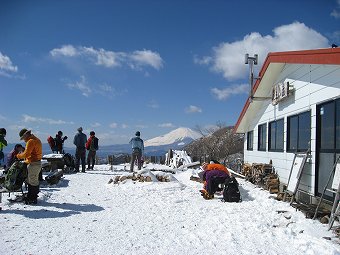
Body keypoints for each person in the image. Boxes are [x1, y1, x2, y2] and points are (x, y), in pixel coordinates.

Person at [16, 129, 42, 205]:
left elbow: (26, 154)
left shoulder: (30, 141)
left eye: (23, 137)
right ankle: (32, 196)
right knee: (33, 180)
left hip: (33, 163)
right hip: (37, 162)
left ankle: (32, 198)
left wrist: (18, 156)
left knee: (32, 180)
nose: (23, 139)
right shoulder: (36, 139)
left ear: (26, 135)